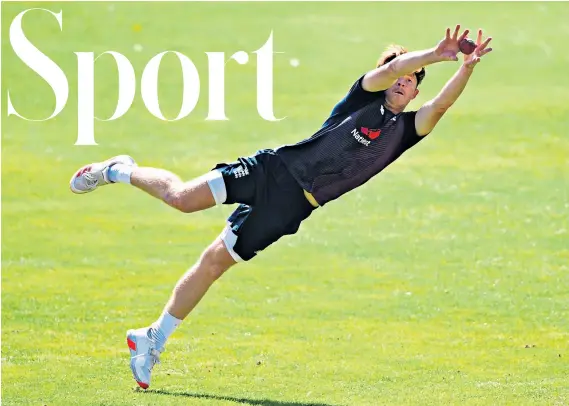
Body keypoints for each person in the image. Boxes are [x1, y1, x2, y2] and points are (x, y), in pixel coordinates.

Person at [69, 25, 492, 389]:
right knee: (182, 199)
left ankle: (151, 339)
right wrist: (434, 56)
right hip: (273, 171)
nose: (405, 80)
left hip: (293, 208)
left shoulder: (405, 131)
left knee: (216, 261)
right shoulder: (361, 99)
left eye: (414, 78)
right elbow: (392, 68)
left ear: (417, 89)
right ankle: (117, 170)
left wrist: (465, 69)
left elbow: (442, 106)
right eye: (402, 73)